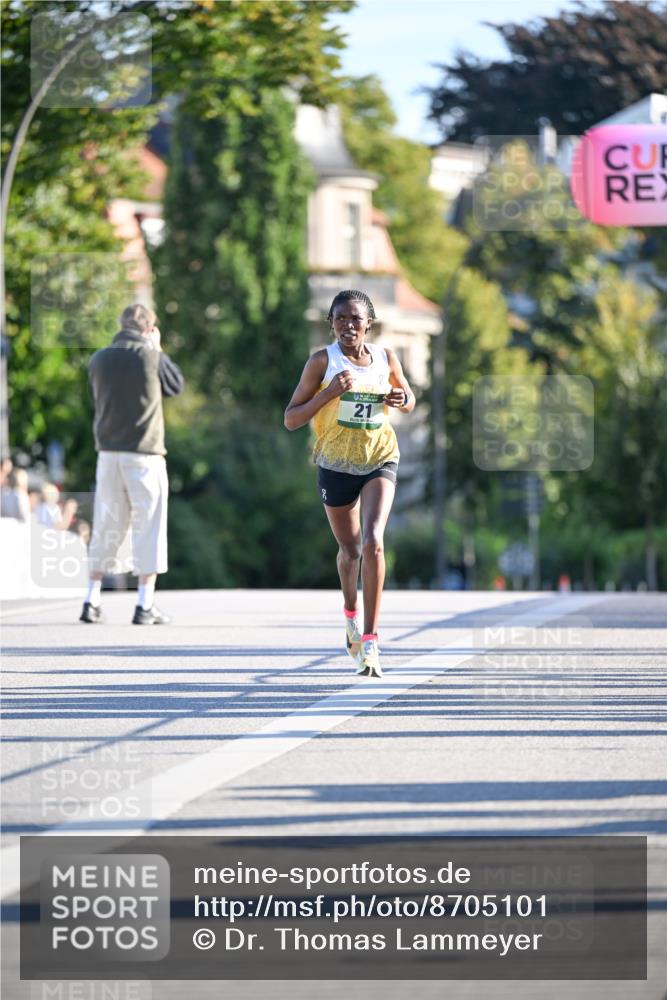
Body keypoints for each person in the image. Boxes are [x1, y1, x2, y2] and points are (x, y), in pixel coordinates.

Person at [284, 290, 415, 678]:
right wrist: (329, 393)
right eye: (340, 319)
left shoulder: (385, 357)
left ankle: (371, 643)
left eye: (355, 319)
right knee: (351, 550)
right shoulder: (321, 362)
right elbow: (291, 419)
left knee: (374, 541)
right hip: (336, 465)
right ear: (331, 323)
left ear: (368, 324)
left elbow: (408, 397)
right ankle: (350, 617)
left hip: (379, 457)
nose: (348, 326)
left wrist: (401, 397)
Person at [81, 303, 184, 625]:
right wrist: (158, 348)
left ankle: (91, 599)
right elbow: (175, 385)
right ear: (149, 328)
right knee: (148, 527)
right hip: (144, 455)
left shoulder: (98, 359)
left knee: (106, 527)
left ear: (120, 325)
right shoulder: (150, 357)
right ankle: (144, 604)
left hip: (108, 454)